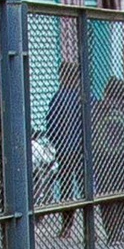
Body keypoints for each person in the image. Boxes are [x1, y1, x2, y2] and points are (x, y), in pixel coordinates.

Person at [43, 58, 87, 237]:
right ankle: (88, 228)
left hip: (64, 150)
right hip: (82, 150)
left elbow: (51, 124)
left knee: (67, 187)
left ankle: (67, 226)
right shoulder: (83, 96)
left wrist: (56, 143)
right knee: (85, 188)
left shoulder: (58, 98)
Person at [92, 75, 124, 243]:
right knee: (123, 191)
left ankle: (112, 232)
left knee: (105, 195)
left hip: (102, 157)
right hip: (122, 156)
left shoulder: (97, 108)